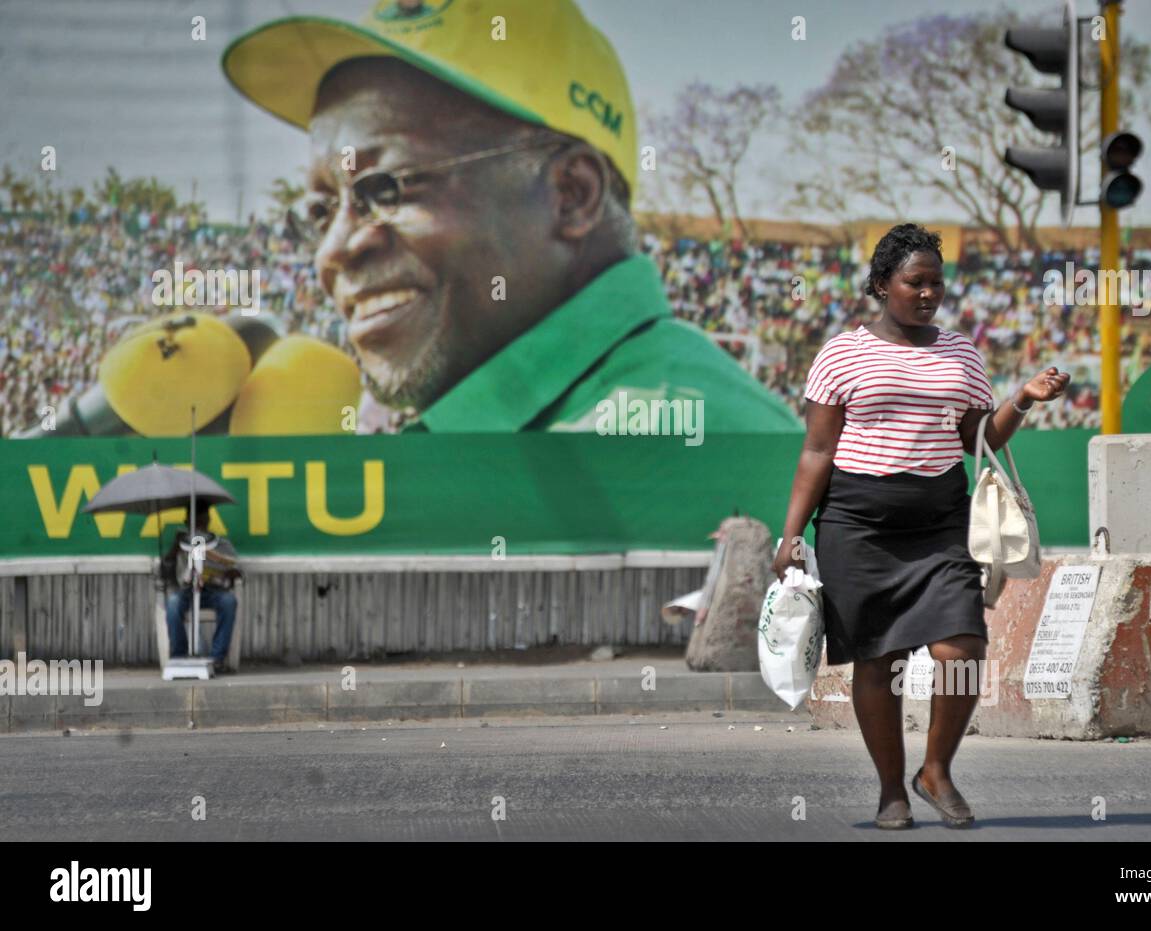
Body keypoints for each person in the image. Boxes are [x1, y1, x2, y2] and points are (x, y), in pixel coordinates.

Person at [220, 0, 800, 435]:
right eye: (322, 210)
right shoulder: (506, 442)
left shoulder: (679, 449)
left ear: (571, 194)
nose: (333, 250)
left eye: (385, 187)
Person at [772, 224, 1070, 830]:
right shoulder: (841, 353)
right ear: (883, 284)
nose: (930, 292)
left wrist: (1024, 399)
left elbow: (975, 440)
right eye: (916, 281)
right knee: (877, 661)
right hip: (857, 526)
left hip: (940, 524)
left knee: (962, 645)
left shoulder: (961, 352)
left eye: (937, 282)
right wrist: (791, 534)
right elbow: (817, 450)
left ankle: (935, 770)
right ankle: (891, 791)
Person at [162, 505, 242, 674]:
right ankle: (179, 657)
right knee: (173, 603)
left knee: (229, 602)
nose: (198, 526)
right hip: (187, 591)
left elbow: (237, 569)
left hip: (213, 591)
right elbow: (165, 572)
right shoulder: (181, 544)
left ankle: (216, 659)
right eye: (193, 522)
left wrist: (227, 573)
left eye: (201, 522)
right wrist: (174, 548)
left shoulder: (221, 544)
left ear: (208, 521)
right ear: (186, 523)